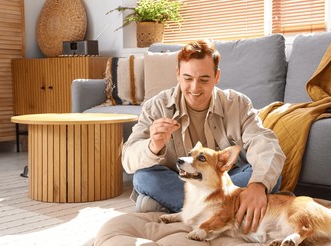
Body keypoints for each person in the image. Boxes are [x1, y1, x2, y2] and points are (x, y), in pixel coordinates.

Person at [122, 40, 285, 233]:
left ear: (217, 77)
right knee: (144, 178)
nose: (194, 88)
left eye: (204, 79)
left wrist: (258, 186)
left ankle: (171, 206)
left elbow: (265, 145)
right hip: (180, 180)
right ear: (178, 75)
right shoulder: (156, 107)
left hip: (224, 183)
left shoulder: (238, 104)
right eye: (187, 78)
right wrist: (153, 145)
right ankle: (224, 212)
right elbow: (128, 160)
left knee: (264, 175)